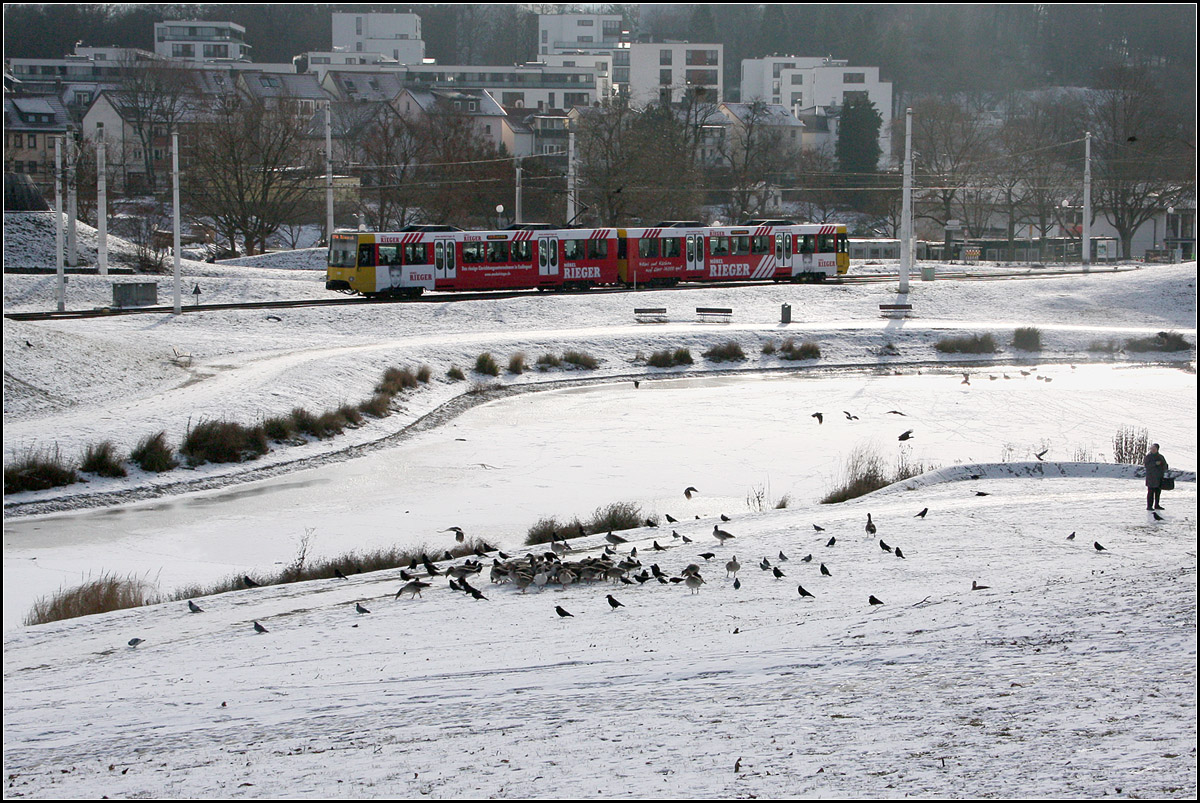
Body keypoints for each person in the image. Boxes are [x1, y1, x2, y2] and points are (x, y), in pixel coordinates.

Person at [1144, 443, 1168, 510]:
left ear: (1157, 449)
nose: (1153, 450)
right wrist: (1155, 464)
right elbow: (1146, 465)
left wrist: (1164, 466)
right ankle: (1149, 506)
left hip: (1159, 477)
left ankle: (1157, 505)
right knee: (1150, 492)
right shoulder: (1148, 457)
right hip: (1151, 477)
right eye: (1152, 448)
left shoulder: (1161, 457)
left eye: (1154, 449)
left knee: (1158, 492)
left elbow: (1165, 465)